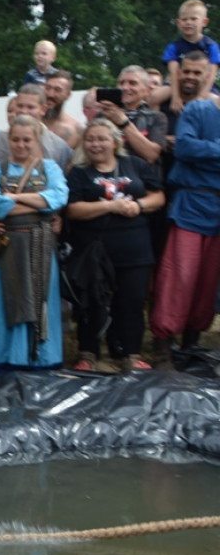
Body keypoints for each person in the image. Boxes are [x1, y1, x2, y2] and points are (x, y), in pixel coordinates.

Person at [66, 119, 165, 371]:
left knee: (132, 301)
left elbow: (159, 195)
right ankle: (87, 353)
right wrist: (110, 206)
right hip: (92, 250)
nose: (95, 144)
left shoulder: (135, 164)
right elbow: (72, 209)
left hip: (134, 247)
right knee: (91, 301)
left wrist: (139, 205)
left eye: (101, 139)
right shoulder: (79, 172)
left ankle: (131, 353)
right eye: (90, 139)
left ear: (115, 141)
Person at [0, 115, 68, 374]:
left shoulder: (50, 168)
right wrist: (38, 204)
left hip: (40, 245)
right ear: (8, 139)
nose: (21, 145)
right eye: (16, 139)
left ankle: (38, 360)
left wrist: (14, 197)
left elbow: (58, 198)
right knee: (3, 299)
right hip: (6, 246)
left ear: (36, 140)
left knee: (41, 299)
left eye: (27, 140)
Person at [149, 94, 220, 369]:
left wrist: (207, 152)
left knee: (208, 282)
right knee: (179, 277)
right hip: (191, 204)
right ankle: (163, 349)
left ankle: (191, 346)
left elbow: (196, 151)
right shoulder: (197, 109)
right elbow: (185, 148)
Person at [0, 84, 72, 175]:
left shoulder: (59, 147)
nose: (24, 111)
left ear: (43, 109)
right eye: (20, 106)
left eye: (30, 107)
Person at [97, 66, 167, 168]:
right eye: (121, 83)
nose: (125, 87)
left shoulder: (156, 117)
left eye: (132, 83)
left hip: (143, 179)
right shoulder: (103, 115)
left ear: (147, 90)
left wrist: (123, 122)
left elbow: (151, 155)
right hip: (109, 178)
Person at [160, 0, 220, 116]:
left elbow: (212, 73)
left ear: (204, 22)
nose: (188, 22)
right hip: (176, 85)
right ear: (178, 22)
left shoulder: (211, 46)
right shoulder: (174, 46)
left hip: (204, 86)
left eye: (193, 19)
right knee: (154, 96)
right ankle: (153, 123)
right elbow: (173, 73)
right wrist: (176, 96)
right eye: (184, 19)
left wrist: (200, 97)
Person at [43, 70, 84, 149]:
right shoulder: (31, 121)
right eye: (48, 88)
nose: (50, 94)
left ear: (68, 95)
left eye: (57, 90)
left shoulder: (77, 130)